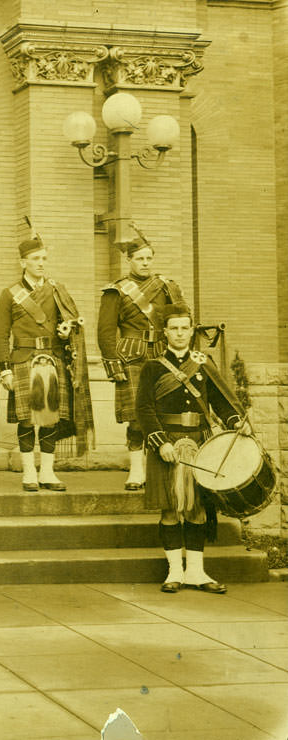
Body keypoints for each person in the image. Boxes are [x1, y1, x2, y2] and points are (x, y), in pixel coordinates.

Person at [136, 303, 244, 594]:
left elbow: (221, 402)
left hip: (200, 442)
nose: (180, 333)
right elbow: (144, 409)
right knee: (170, 510)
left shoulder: (203, 362)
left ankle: (196, 572)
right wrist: (161, 442)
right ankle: (175, 571)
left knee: (196, 509)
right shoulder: (152, 367)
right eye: (174, 328)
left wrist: (236, 422)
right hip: (167, 444)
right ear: (165, 332)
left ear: (192, 330)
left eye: (185, 328)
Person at [0, 233, 94, 491]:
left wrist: (65, 331)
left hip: (52, 359)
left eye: (44, 258)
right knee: (27, 420)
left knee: (50, 419)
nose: (41, 263)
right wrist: (4, 370)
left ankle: (48, 472)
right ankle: (28, 472)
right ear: (22, 262)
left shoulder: (56, 289)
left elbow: (72, 322)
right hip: (23, 360)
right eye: (35, 258)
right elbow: (1, 335)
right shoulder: (9, 294)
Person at [98, 233, 187, 491]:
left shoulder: (167, 287)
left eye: (149, 258)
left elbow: (182, 316)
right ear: (129, 260)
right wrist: (113, 364)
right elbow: (105, 331)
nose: (145, 263)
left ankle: (155, 470)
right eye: (139, 258)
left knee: (161, 414)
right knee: (137, 416)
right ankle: (136, 471)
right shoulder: (116, 291)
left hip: (161, 355)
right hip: (132, 357)